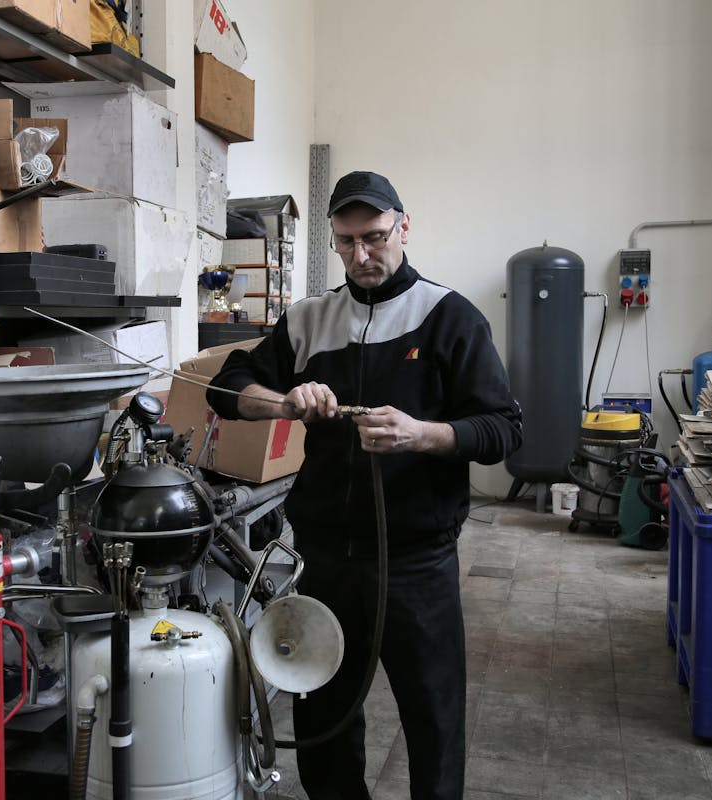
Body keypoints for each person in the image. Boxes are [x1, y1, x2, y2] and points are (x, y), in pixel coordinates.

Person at [206, 171, 522, 800]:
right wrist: (284, 402)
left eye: (375, 238)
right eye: (346, 242)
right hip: (326, 563)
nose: (361, 256)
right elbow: (225, 386)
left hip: (416, 564)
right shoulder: (308, 320)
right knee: (324, 724)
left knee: (432, 722)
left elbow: (504, 429)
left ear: (403, 228)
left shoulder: (449, 318)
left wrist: (422, 436)